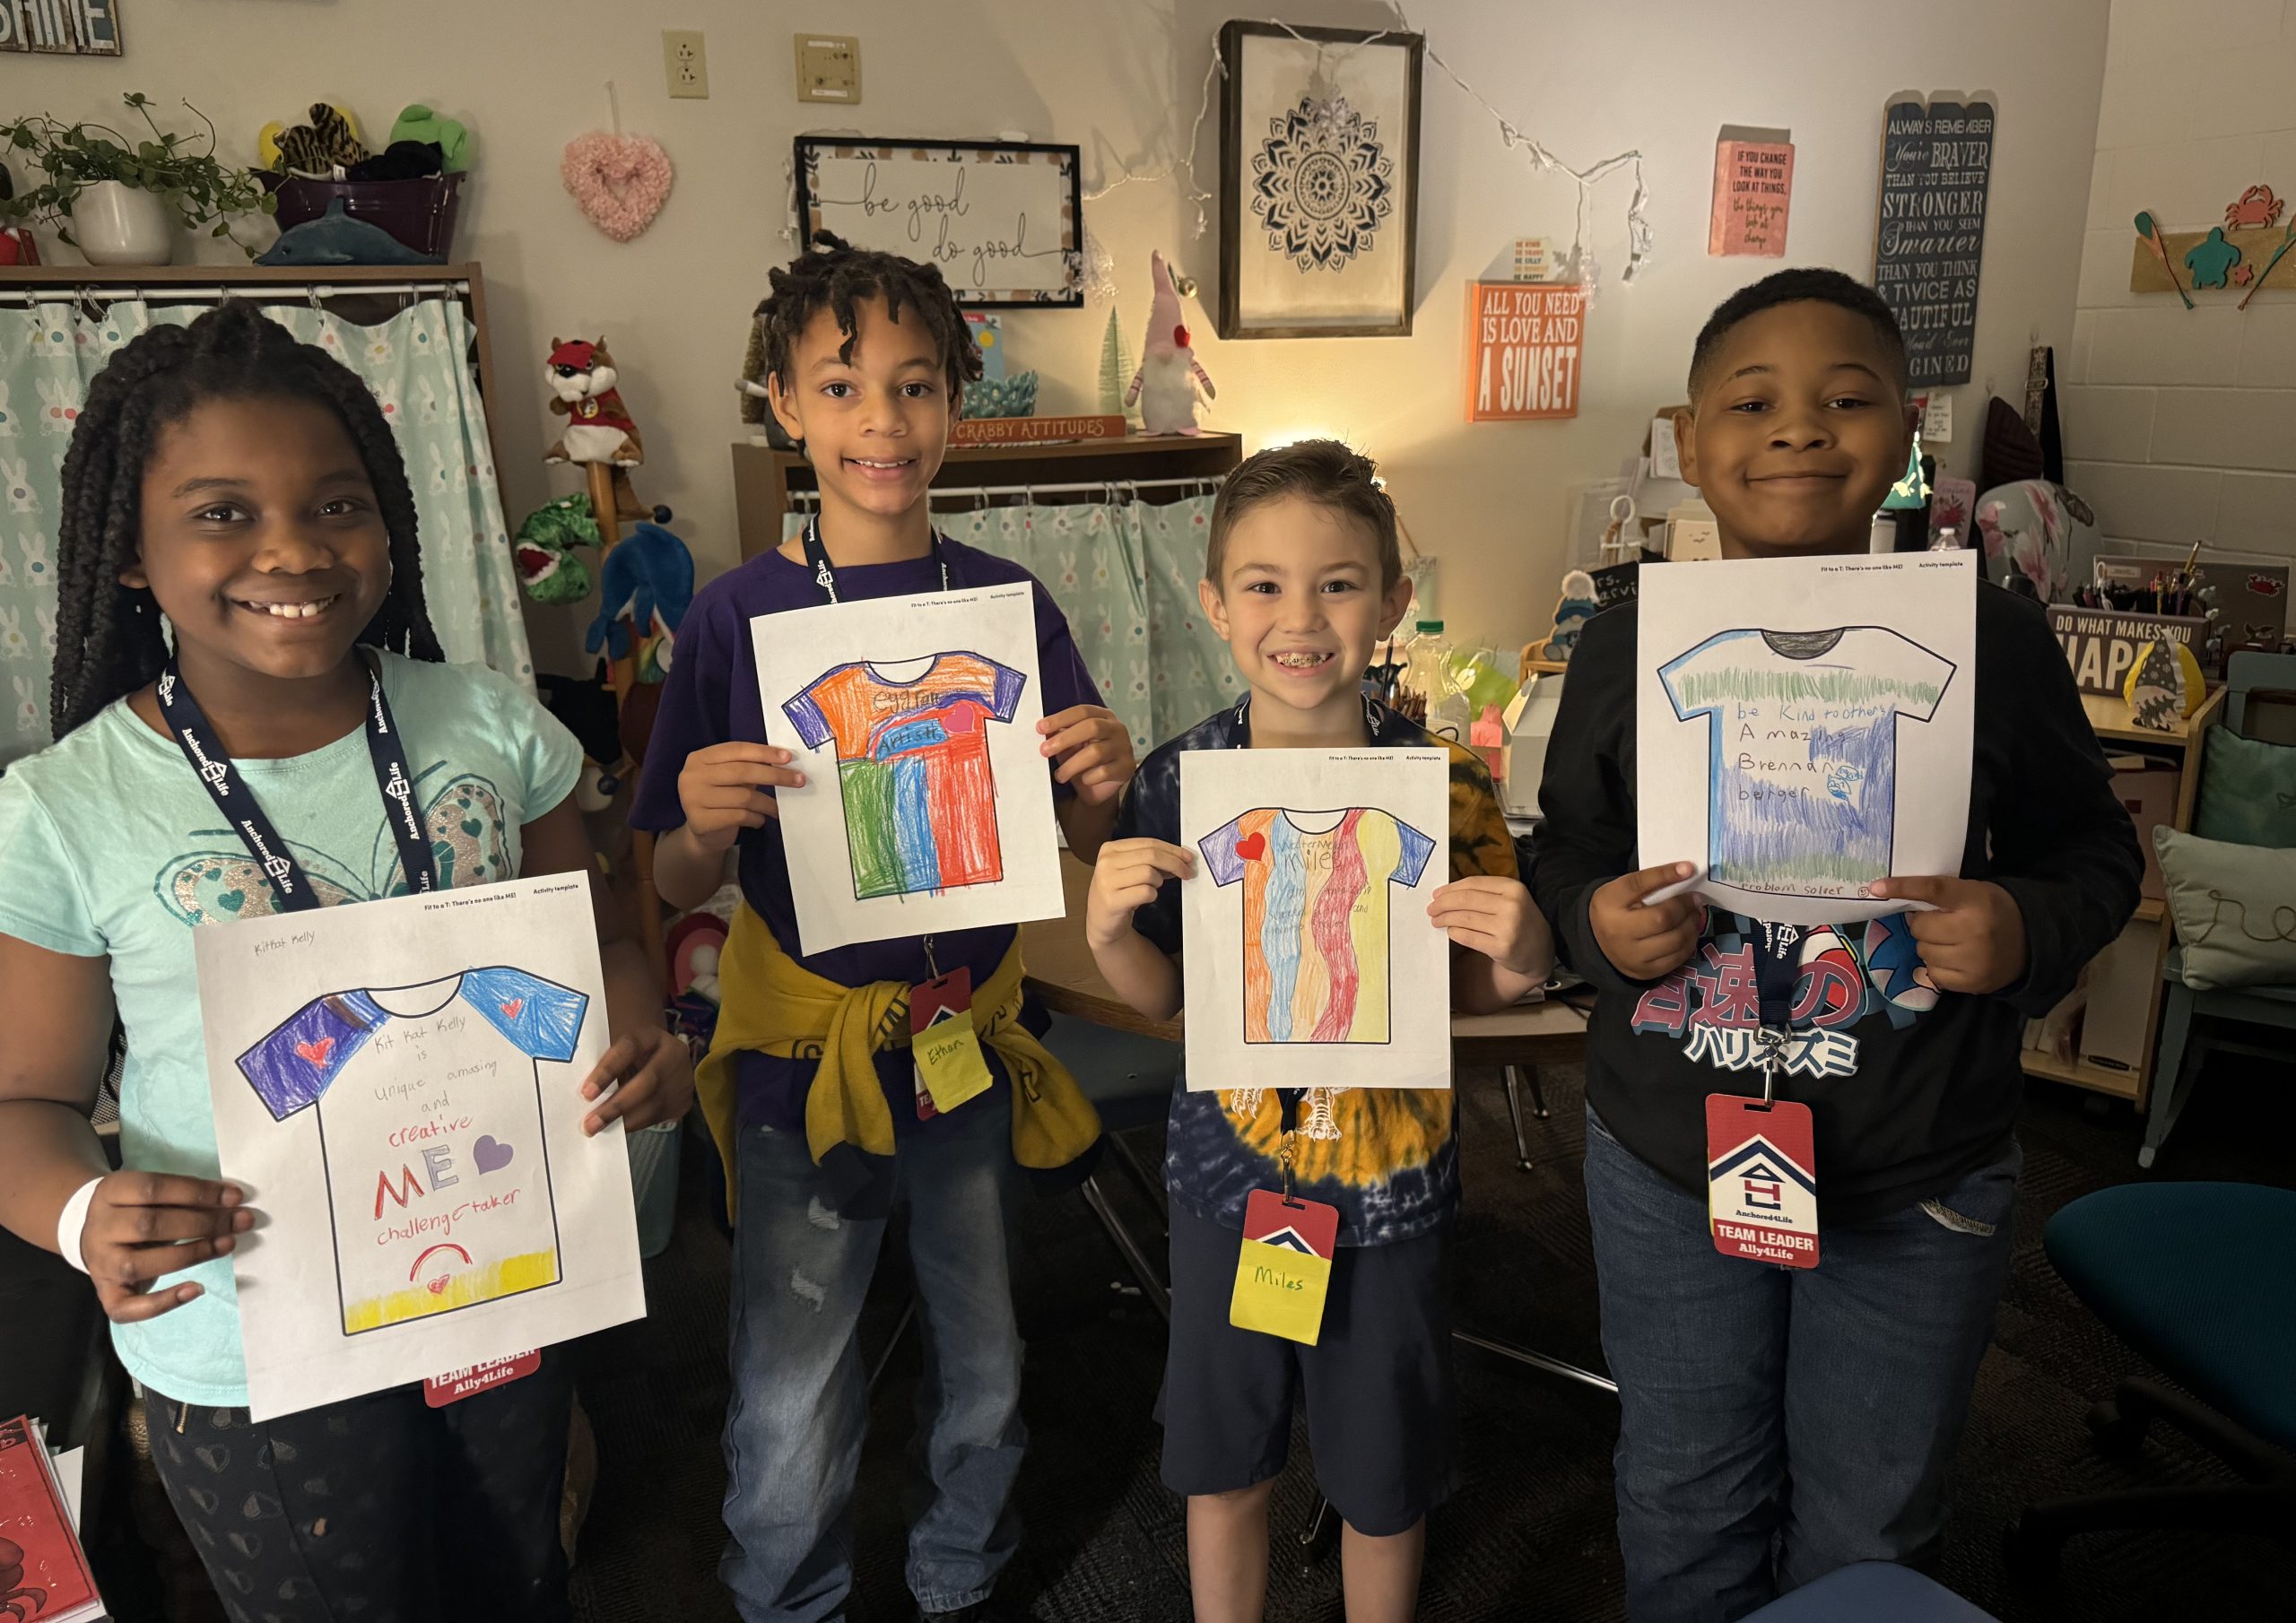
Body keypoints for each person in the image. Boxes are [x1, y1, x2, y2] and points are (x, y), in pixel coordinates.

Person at [0, 302, 691, 1621]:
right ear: (130, 551)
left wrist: (643, 1029)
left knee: (519, 1581)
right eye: (222, 513)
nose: (293, 549)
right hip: (250, 1338)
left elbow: (603, 939)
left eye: (337, 505)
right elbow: (25, 1102)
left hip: (496, 1277)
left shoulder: (489, 726)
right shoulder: (67, 809)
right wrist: (83, 1215)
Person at [1531, 269, 2143, 1623]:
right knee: (1682, 1491)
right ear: (1690, 441)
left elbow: (2095, 851)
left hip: (1914, 1166)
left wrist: (2023, 927)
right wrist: (1596, 923)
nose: (1799, 429)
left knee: (1870, 1521)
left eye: (1846, 400)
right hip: (1669, 1155)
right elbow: (1564, 848)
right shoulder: (1622, 647)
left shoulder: (1992, 637)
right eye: (1752, 404)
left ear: (1908, 430)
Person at [632, 231, 1137, 1623]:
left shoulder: (1008, 605)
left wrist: (1101, 779)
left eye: (916, 387)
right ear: (785, 405)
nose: (884, 422)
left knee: (986, 1348)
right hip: (804, 1057)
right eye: (843, 387)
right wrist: (700, 823)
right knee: (795, 1369)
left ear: (955, 405)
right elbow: (669, 880)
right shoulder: (734, 617)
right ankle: (785, 1594)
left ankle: (963, 1573)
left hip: (967, 1041)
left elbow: (1080, 842)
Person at [1084, 440, 1552, 1623]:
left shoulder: (1447, 788)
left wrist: (1523, 955)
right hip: (1227, 1185)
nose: (1300, 617)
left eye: (1337, 584)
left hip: (1392, 1189)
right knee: (1223, 1461)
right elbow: (1163, 1000)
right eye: (1264, 585)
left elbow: (1466, 992)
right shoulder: (1176, 783)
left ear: (1392, 600)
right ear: (1215, 603)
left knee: (1383, 1479)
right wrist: (1109, 934)